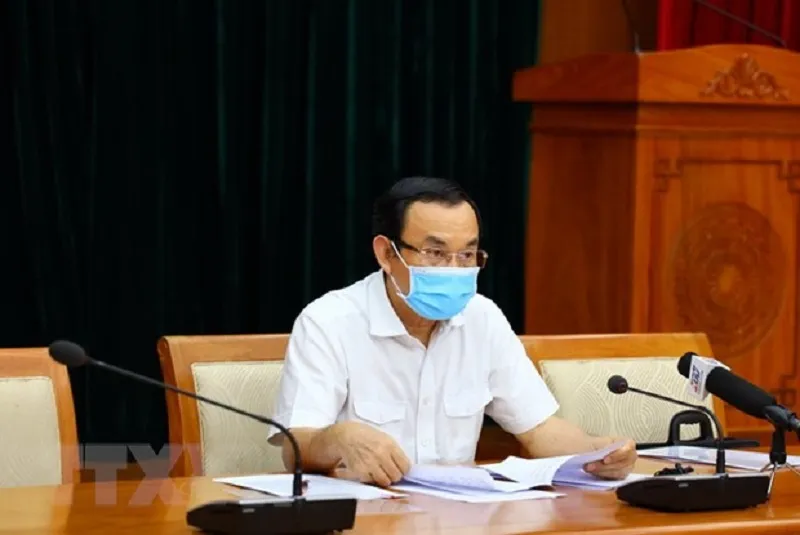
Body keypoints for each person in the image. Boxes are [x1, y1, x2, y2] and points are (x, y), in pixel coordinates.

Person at [268, 176, 637, 487]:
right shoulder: (329, 321)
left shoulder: (483, 318)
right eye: (435, 253)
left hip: (461, 516)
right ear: (386, 254)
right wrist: (339, 438)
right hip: (368, 517)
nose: (454, 269)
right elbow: (296, 447)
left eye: (467, 255)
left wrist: (598, 452)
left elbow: (539, 429)